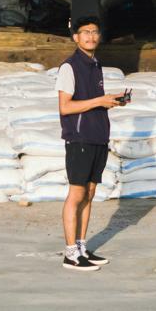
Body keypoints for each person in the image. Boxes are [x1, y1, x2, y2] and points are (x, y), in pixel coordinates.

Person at [55, 16, 123, 271]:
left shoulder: (95, 64)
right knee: (77, 193)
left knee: (90, 193)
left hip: (97, 137)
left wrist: (110, 99)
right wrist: (99, 101)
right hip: (79, 137)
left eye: (95, 32)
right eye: (85, 32)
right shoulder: (69, 67)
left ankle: (82, 247)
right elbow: (65, 106)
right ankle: (70, 253)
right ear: (75, 37)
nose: (91, 36)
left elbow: (93, 99)